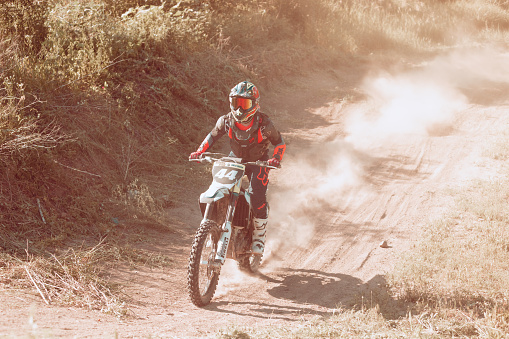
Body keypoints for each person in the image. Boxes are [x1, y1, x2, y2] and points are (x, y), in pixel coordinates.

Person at [189, 81, 286, 255]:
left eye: (245, 103)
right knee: (219, 186)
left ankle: (259, 237)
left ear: (255, 104)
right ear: (230, 102)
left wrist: (275, 159)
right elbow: (212, 136)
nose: (240, 109)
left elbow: (279, 142)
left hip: (259, 161)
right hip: (236, 158)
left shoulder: (265, 124)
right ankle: (213, 230)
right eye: (236, 103)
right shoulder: (226, 121)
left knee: (257, 197)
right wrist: (199, 152)